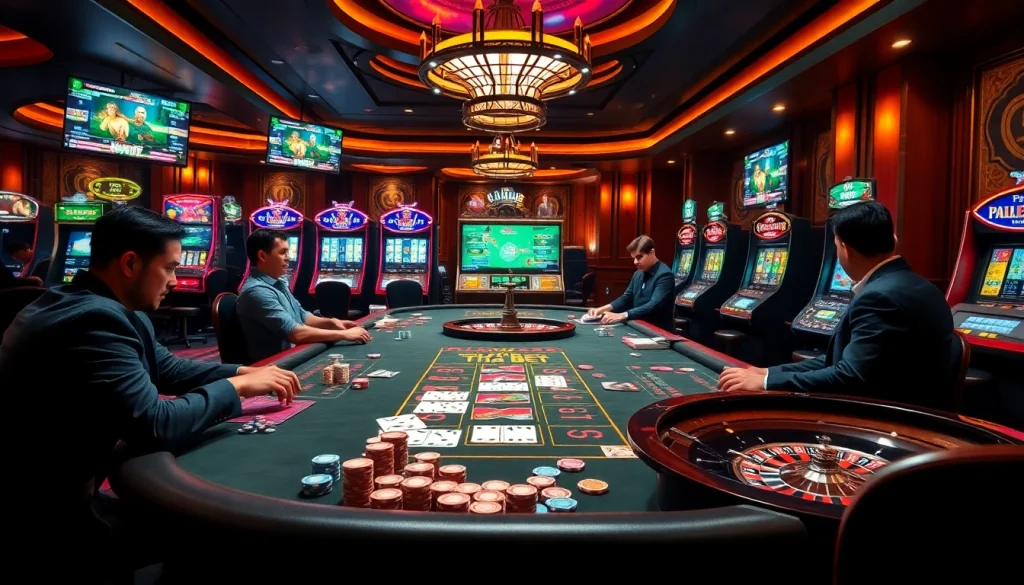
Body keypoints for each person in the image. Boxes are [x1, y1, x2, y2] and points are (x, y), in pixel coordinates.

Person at [0, 205, 302, 578]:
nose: (176, 280)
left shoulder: (100, 303)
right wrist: (234, 388)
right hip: (50, 517)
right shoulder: (92, 321)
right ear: (130, 263)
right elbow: (154, 422)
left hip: (66, 487)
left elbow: (169, 368)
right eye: (171, 267)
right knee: (226, 542)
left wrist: (244, 370)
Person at [717, 201, 961, 410]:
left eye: (835, 245)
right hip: (903, 405)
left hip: (891, 420)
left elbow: (850, 376)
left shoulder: (879, 298)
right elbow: (839, 362)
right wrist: (768, 373)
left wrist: (766, 385)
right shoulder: (916, 285)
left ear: (845, 248)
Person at [237, 228, 371, 363]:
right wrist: (343, 335)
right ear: (262, 256)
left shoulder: (278, 282)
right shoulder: (257, 291)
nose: (288, 257)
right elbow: (295, 333)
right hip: (275, 365)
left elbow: (303, 316)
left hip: (295, 354)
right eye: (283, 252)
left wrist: (333, 323)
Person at [587, 235, 675, 333]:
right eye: (633, 258)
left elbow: (653, 305)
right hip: (640, 327)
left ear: (652, 252)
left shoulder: (665, 275)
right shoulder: (638, 273)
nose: (635, 262)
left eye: (639, 257)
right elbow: (626, 298)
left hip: (660, 333)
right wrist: (602, 309)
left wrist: (623, 315)